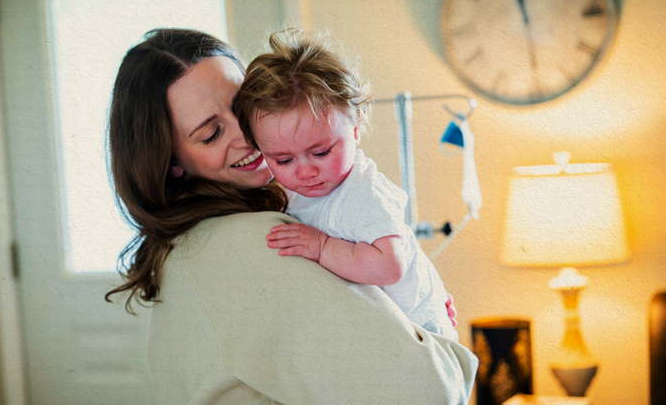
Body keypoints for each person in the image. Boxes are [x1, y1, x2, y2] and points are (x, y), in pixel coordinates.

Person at [106, 27, 477, 404]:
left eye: (243, 108)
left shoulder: (184, 247)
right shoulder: (257, 242)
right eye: (212, 133)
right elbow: (431, 392)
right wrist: (443, 346)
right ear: (170, 161)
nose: (248, 136)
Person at [235, 29, 458, 341]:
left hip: (423, 328)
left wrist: (322, 246)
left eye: (321, 152)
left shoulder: (363, 193)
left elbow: (390, 266)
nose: (306, 171)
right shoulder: (288, 192)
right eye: (283, 160)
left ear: (356, 126)